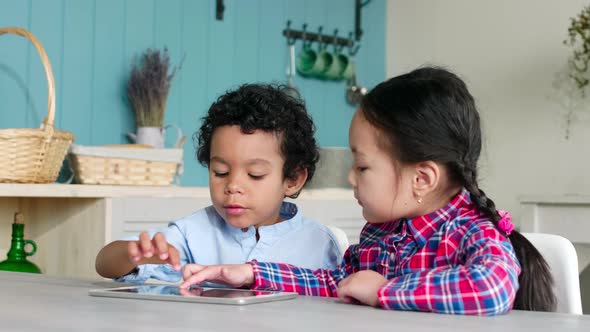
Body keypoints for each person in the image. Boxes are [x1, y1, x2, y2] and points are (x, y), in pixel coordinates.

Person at [179, 67, 556, 315]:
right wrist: (251, 273)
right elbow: (335, 282)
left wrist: (386, 291)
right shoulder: (382, 232)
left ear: (422, 179)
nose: (351, 178)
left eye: (362, 167)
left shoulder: (471, 233)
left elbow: (489, 289)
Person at [95, 84, 343, 283]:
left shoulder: (319, 244)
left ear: (293, 180)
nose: (233, 185)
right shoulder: (194, 232)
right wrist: (133, 253)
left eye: (255, 174)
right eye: (220, 172)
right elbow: (105, 264)